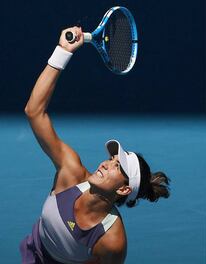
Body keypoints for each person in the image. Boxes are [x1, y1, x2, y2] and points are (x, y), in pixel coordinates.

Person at [20, 27, 170, 264]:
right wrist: (62, 52)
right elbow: (34, 112)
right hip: (33, 249)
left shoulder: (112, 240)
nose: (105, 163)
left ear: (123, 190)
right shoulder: (71, 172)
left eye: (116, 166)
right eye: (111, 159)